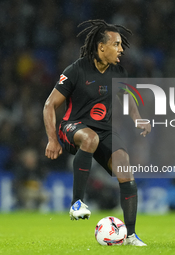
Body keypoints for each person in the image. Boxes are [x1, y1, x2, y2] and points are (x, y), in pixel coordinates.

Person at [43, 19, 151, 246]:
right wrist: (53, 139)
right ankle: (76, 203)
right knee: (89, 138)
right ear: (101, 47)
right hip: (73, 127)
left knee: (124, 167)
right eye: (117, 44)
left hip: (104, 131)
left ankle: (130, 235)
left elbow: (128, 99)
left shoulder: (119, 72)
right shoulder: (76, 69)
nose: (121, 50)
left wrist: (137, 118)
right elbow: (49, 105)